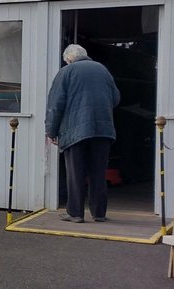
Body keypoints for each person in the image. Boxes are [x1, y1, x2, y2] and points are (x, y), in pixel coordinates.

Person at [45, 43, 120, 223]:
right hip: (103, 131)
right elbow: (116, 98)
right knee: (98, 173)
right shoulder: (103, 70)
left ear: (69, 59)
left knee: (75, 173)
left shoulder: (66, 72)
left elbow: (55, 105)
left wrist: (51, 131)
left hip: (75, 132)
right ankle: (99, 213)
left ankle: (76, 213)